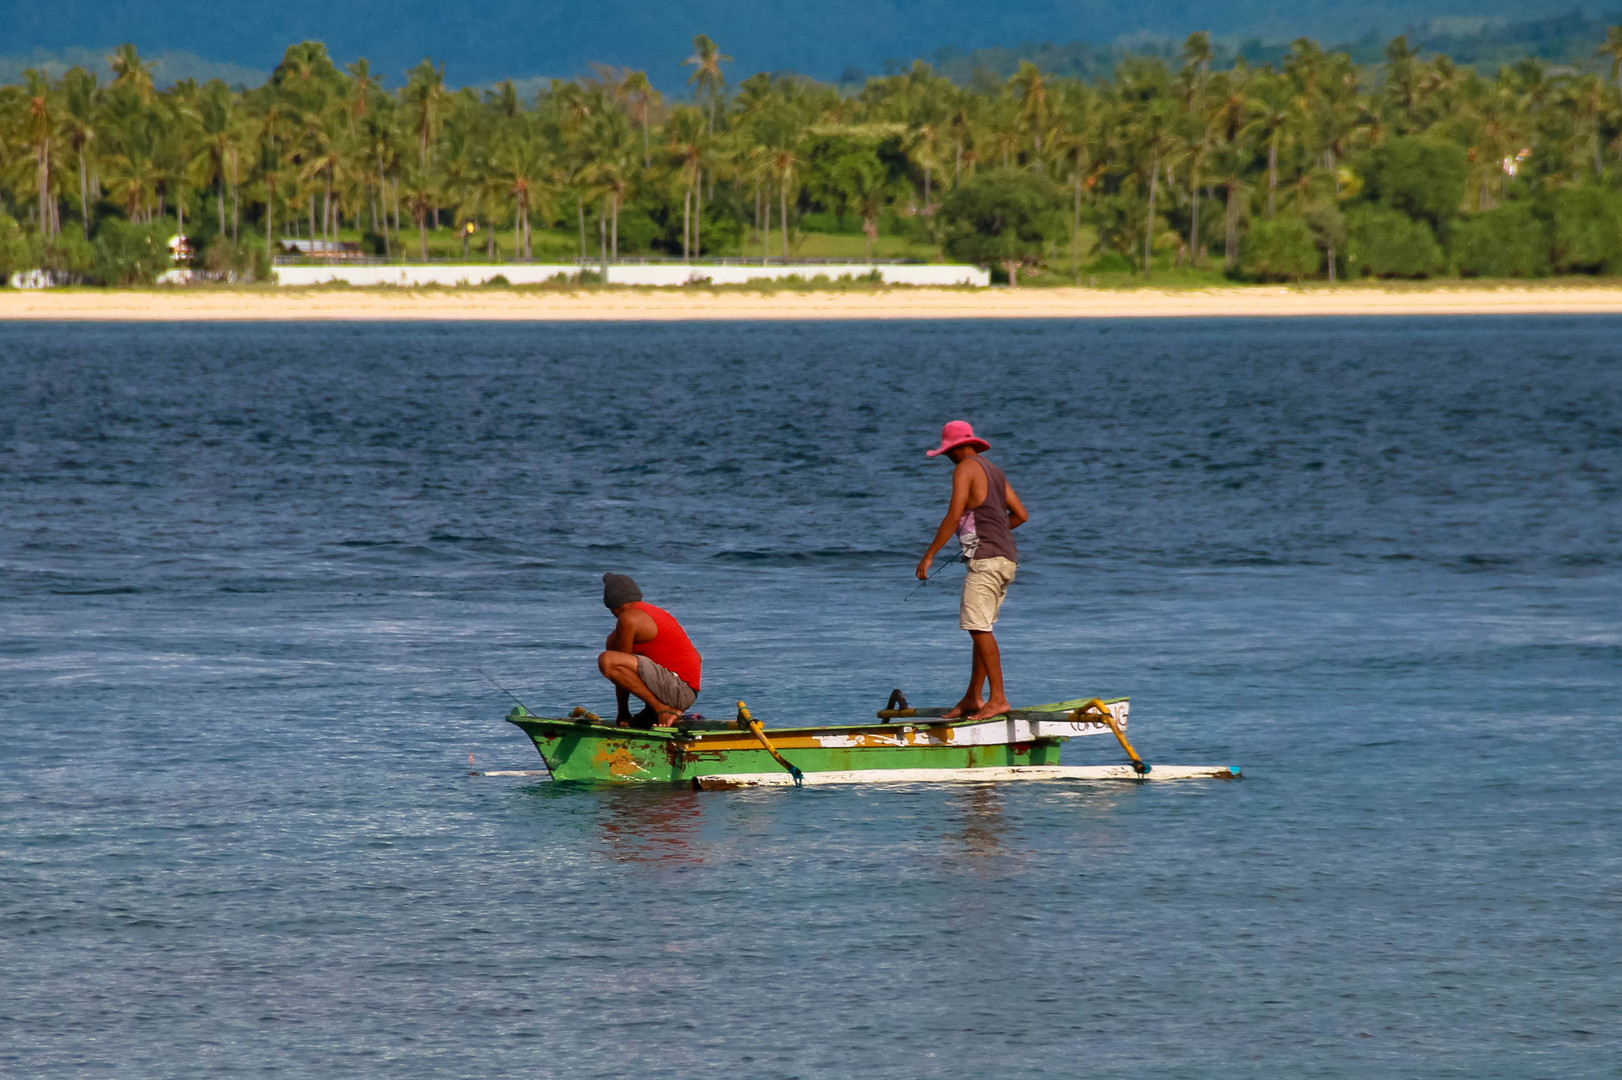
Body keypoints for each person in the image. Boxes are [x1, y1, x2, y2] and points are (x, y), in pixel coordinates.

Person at [915, 420, 1028, 720]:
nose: (948, 458)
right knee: (983, 629)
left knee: (978, 629)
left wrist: (928, 556)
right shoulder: (994, 471)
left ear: (956, 448)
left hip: (986, 561)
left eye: (948, 452)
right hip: (1006, 560)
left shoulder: (964, 468)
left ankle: (998, 698)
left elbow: (953, 515)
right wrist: (992, 533)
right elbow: (1020, 515)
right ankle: (972, 697)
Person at [597, 573, 703, 728]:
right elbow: (697, 656)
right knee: (614, 651)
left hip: (679, 690)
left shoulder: (628, 618)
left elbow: (616, 665)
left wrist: (622, 710)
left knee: (607, 660)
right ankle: (653, 711)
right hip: (687, 691)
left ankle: (662, 709)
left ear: (613, 608)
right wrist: (624, 714)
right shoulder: (654, 612)